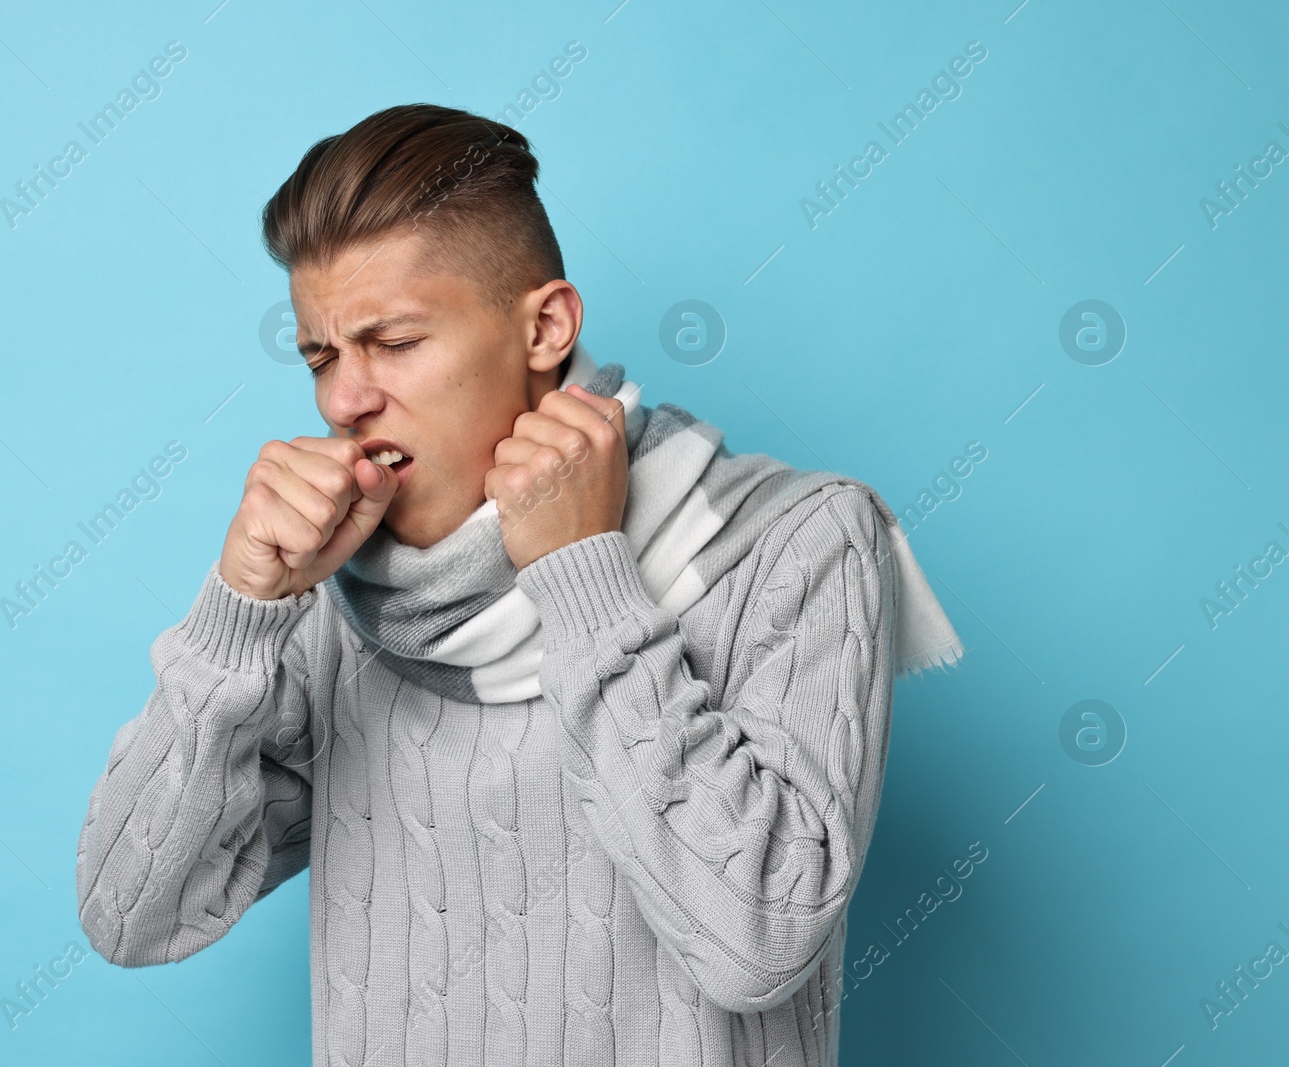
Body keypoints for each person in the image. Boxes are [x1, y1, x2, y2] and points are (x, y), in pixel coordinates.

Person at [74, 102, 965, 1066]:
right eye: (322, 356)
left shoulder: (799, 539)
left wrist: (581, 575)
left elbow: (759, 943)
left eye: (395, 342)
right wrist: (239, 615)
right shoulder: (339, 601)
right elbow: (133, 914)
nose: (342, 400)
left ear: (545, 327)